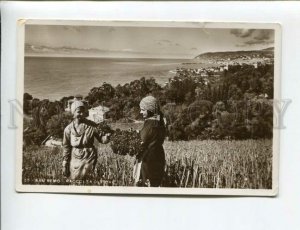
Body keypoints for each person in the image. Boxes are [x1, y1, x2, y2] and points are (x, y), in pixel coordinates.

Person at [62, 100, 108, 180]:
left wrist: (107, 137)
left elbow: (102, 139)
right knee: (74, 179)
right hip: (75, 158)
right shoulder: (68, 129)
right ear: (73, 112)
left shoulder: (92, 126)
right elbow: (66, 147)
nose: (82, 114)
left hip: (89, 156)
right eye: (79, 112)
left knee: (88, 179)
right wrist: (65, 161)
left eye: (83, 112)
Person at [134, 95, 166, 187]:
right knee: (155, 185)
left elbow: (141, 141)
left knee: (146, 187)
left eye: (143, 109)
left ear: (150, 110)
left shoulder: (150, 124)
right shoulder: (159, 122)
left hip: (148, 159)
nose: (141, 112)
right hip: (158, 157)